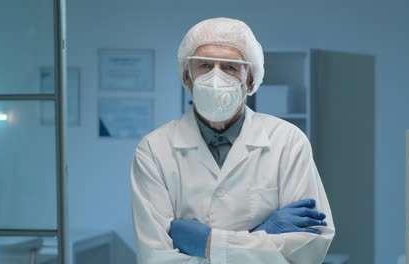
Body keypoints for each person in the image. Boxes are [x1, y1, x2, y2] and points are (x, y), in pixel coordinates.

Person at [131, 17, 335, 264]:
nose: (216, 79)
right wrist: (263, 235)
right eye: (204, 65)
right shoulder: (154, 149)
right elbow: (155, 258)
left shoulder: (288, 141)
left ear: (249, 81)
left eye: (230, 67)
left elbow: (310, 248)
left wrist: (207, 243)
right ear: (187, 77)